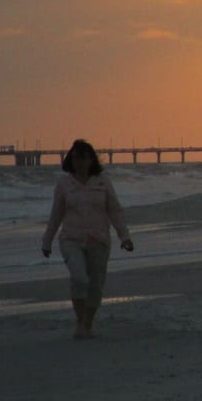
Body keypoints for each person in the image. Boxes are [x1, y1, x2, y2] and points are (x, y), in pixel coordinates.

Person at [41, 139, 135, 339]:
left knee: (96, 285)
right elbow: (56, 214)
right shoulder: (64, 184)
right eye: (76, 158)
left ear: (91, 159)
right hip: (71, 239)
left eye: (84, 158)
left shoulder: (102, 182)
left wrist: (124, 236)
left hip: (98, 239)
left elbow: (114, 211)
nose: (80, 162)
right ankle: (79, 321)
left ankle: (88, 322)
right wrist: (47, 240)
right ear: (71, 160)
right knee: (79, 277)